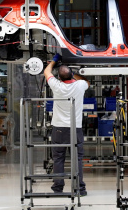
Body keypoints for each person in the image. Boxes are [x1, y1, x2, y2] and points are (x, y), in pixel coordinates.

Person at [44, 53, 89, 197]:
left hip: (59, 129)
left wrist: (54, 61)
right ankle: (79, 189)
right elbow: (87, 82)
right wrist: (74, 73)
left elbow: (46, 71)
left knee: (58, 158)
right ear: (71, 75)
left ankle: (58, 187)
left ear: (59, 78)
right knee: (77, 159)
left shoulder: (56, 86)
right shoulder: (80, 85)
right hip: (75, 128)